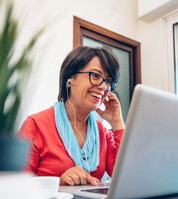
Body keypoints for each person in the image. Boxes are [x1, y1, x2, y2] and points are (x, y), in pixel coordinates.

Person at [17, 46, 125, 186]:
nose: (103, 87)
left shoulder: (102, 133)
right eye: (96, 76)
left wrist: (117, 122)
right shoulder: (35, 125)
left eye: (108, 82)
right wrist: (59, 184)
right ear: (70, 78)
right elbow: (15, 187)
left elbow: (125, 177)